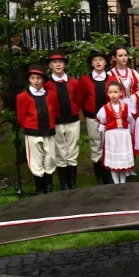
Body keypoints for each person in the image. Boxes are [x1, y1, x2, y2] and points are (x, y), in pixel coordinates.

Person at [15, 64, 58, 195]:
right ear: (29, 79)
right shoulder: (22, 96)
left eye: (38, 78)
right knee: (36, 160)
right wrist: (29, 127)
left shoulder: (51, 95)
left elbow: (54, 111)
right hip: (33, 133)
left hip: (49, 131)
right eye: (33, 78)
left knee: (50, 158)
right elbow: (21, 116)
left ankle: (48, 187)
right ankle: (40, 189)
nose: (36, 81)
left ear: (43, 79)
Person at [46, 51, 84, 191]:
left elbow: (78, 99)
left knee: (72, 149)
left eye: (60, 62)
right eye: (55, 62)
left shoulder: (74, 82)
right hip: (56, 122)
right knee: (60, 151)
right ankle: (64, 183)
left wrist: (76, 112)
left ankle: (72, 182)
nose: (58, 64)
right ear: (50, 65)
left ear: (64, 64)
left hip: (72, 120)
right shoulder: (47, 84)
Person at [78, 50, 113, 184]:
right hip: (92, 118)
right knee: (96, 145)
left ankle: (108, 174)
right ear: (91, 63)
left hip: (108, 119)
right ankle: (99, 176)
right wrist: (87, 113)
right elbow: (82, 98)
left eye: (101, 60)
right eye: (95, 60)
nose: (98, 62)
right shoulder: (85, 80)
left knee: (107, 145)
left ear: (105, 63)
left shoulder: (111, 80)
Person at [97, 82, 134, 183]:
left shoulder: (126, 107)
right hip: (112, 136)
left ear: (120, 93)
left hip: (123, 135)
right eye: (111, 92)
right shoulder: (104, 108)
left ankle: (122, 182)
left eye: (115, 92)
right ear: (108, 94)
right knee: (114, 159)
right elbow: (102, 120)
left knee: (122, 159)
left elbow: (130, 119)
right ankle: (116, 183)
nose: (113, 94)